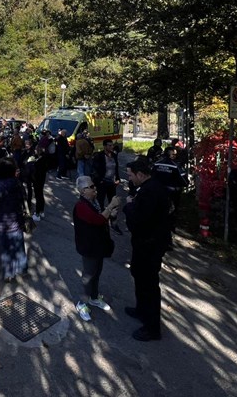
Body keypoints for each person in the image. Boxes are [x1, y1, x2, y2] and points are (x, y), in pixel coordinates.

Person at [123, 158, 171, 341]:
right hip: (146, 243)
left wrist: (128, 206)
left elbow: (140, 219)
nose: (129, 178)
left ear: (141, 174)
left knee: (149, 284)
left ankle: (152, 328)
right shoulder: (149, 187)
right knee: (138, 275)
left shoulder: (150, 192)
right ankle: (141, 310)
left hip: (150, 244)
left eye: (130, 175)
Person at [73, 175, 115, 322]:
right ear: (82, 191)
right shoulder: (81, 206)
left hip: (98, 245)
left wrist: (109, 213)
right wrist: (110, 207)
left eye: (93, 186)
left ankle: (94, 297)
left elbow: (101, 217)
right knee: (88, 276)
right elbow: (97, 220)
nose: (94, 188)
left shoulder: (93, 201)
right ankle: (82, 303)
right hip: (89, 246)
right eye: (90, 187)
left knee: (97, 272)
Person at [152, 145, 188, 244]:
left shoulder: (156, 164)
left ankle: (155, 235)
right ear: (169, 154)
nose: (175, 156)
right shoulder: (175, 166)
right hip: (172, 195)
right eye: (173, 154)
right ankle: (167, 239)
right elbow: (185, 181)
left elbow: (151, 177)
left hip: (157, 194)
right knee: (170, 217)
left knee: (157, 214)